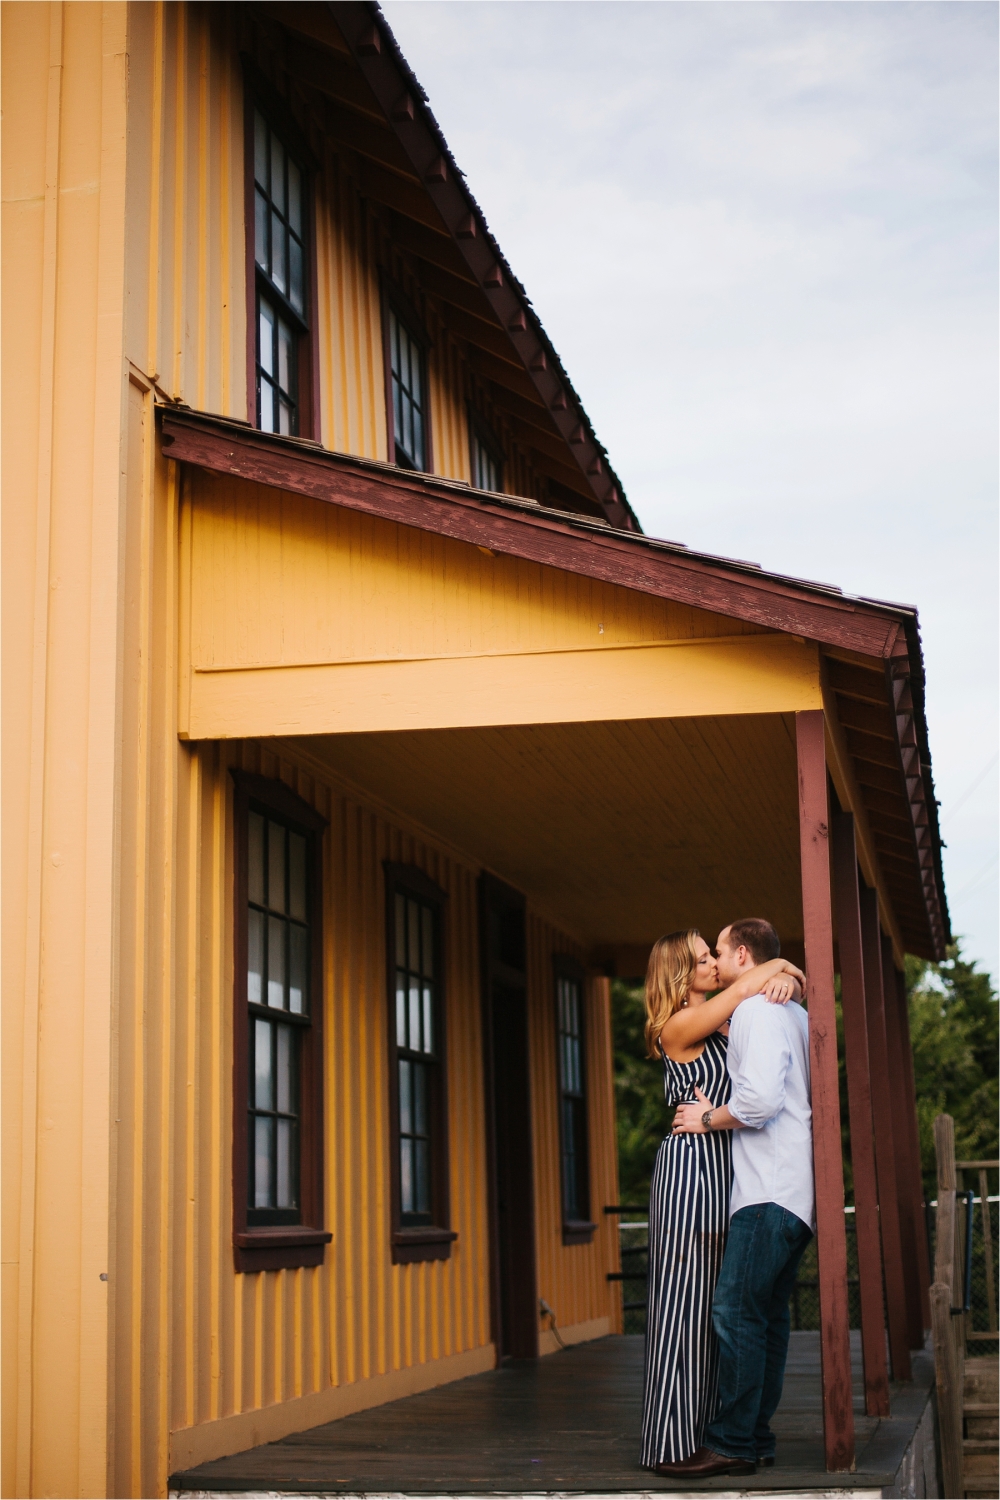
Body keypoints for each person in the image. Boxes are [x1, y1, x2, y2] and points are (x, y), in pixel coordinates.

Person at [639, 928, 805, 1473]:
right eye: (703, 956)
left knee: (724, 1308)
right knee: (686, 1303)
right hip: (690, 1171)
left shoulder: (728, 1024)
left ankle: (724, 1432)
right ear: (679, 974)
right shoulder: (677, 1026)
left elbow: (767, 1001)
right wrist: (780, 962)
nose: (713, 962)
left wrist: (788, 981)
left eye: (715, 952)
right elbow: (743, 989)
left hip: (727, 1171)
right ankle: (673, 1435)